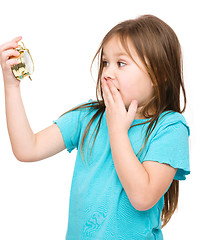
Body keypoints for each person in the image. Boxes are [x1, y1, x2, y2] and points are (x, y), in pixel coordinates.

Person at [0, 14, 190, 240]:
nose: (107, 73)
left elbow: (142, 197)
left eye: (121, 63)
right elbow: (27, 148)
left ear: (157, 75)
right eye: (105, 63)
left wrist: (117, 130)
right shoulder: (88, 117)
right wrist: (11, 87)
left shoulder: (169, 127)